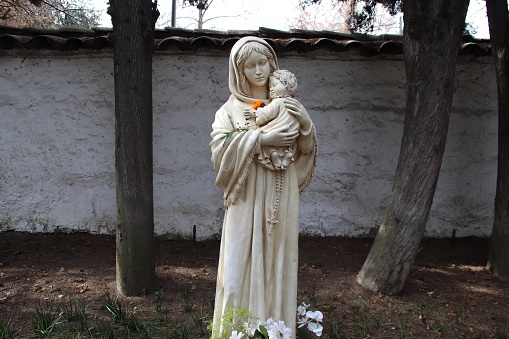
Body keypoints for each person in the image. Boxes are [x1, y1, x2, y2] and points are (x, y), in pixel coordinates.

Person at [210, 36, 317, 338]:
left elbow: (305, 148)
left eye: (263, 63)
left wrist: (306, 123)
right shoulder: (228, 111)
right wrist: (261, 139)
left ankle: (275, 329)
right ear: (239, 72)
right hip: (246, 195)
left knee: (277, 262)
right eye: (250, 66)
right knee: (235, 272)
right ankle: (234, 332)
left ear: (273, 63)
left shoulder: (288, 104)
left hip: (281, 192)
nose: (258, 71)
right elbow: (220, 152)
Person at [244, 69, 300, 170]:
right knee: (284, 145)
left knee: (265, 136)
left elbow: (268, 112)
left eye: (274, 85)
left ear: (286, 85)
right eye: (269, 88)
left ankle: (273, 154)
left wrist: (255, 113)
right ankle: (288, 154)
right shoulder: (295, 103)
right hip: (291, 131)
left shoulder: (277, 101)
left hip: (279, 128)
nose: (271, 90)